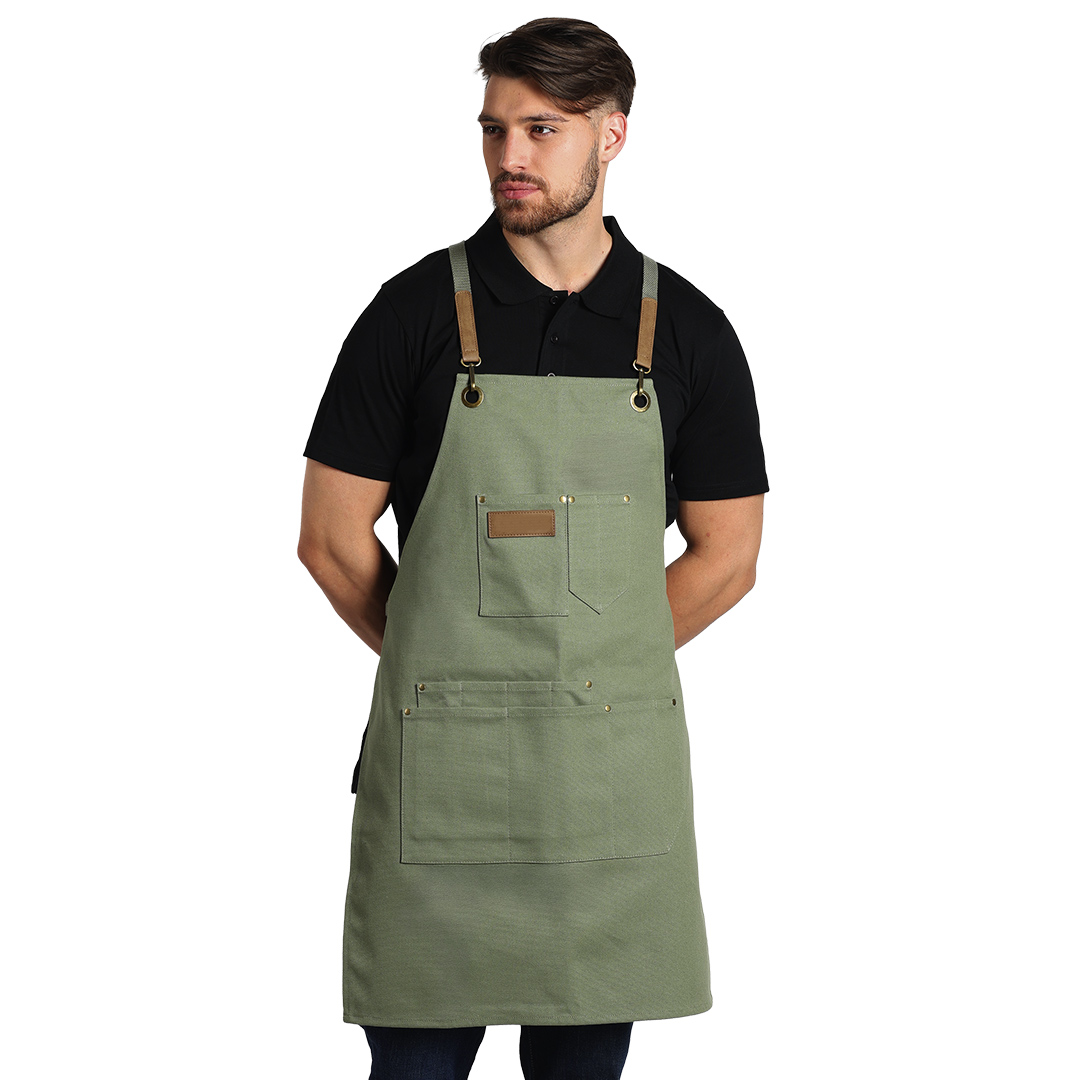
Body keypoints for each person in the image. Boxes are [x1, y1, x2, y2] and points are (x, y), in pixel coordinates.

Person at [298, 17, 768, 1080]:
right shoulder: (411, 314)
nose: (510, 156)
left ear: (613, 135)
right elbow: (329, 539)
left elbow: (729, 554)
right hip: (442, 779)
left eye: (542, 130)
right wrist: (449, 666)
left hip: (603, 785)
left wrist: (586, 671)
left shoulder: (688, 330)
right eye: (494, 129)